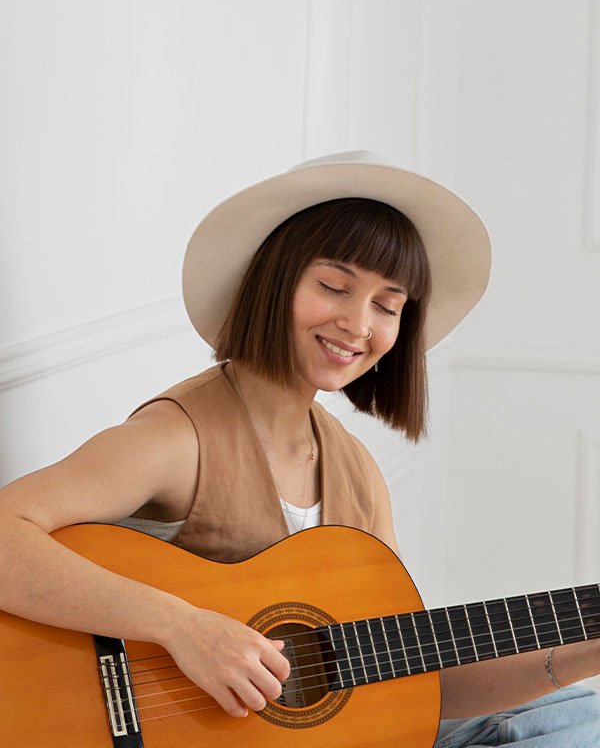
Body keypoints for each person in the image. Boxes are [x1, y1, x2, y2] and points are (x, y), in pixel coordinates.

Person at [0, 150, 598, 747]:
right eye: (334, 287)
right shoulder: (179, 438)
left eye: (387, 306)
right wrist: (182, 626)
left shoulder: (356, 472)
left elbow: (412, 675)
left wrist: (584, 653)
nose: (358, 325)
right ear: (275, 280)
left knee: (577, 713)